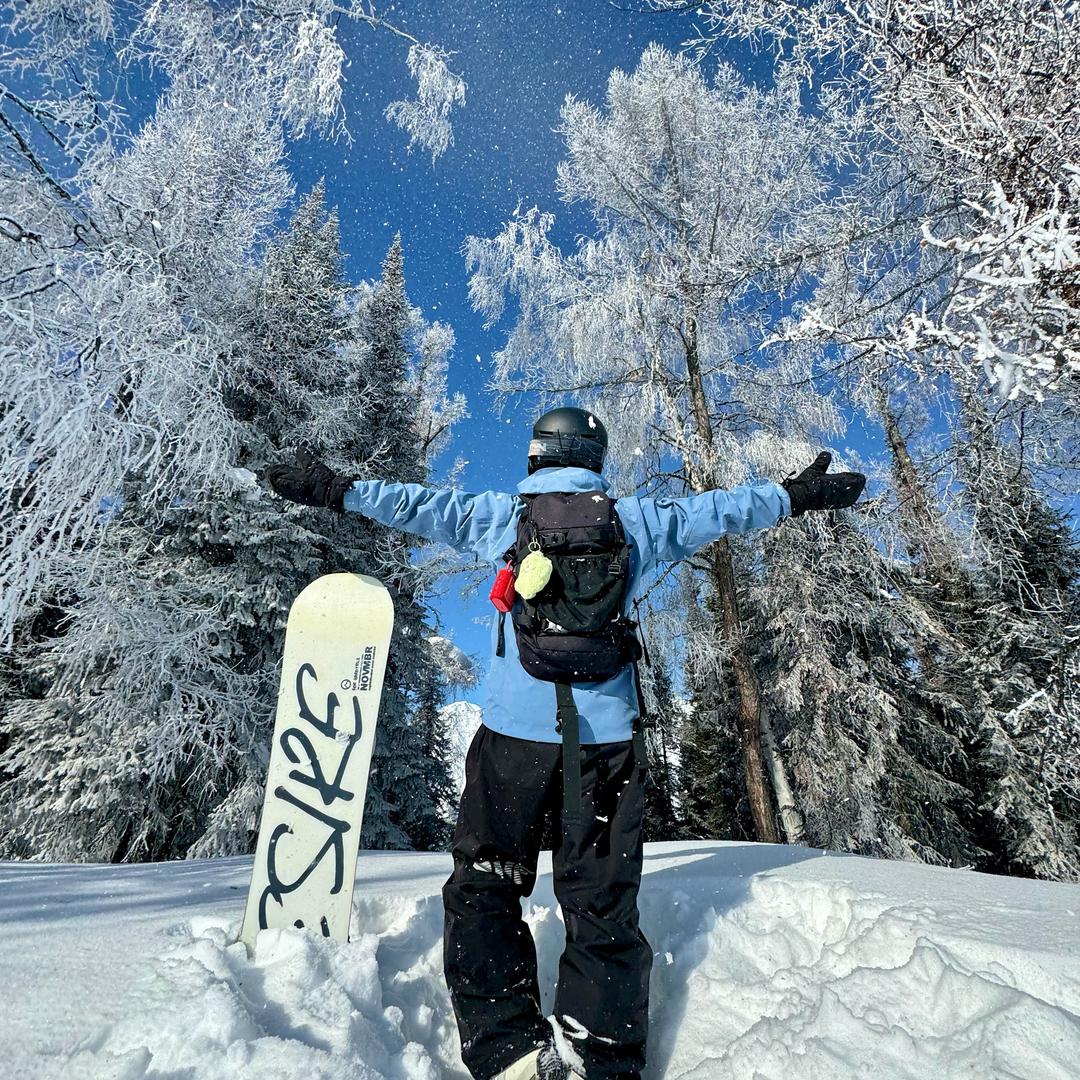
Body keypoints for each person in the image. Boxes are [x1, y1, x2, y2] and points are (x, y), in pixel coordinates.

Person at [264, 407, 866, 1080]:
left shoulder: (499, 517)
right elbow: (724, 510)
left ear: (536, 457)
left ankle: (510, 1051)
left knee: (485, 887)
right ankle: (601, 1055)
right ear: (594, 457)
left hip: (511, 744)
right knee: (602, 900)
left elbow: (411, 504)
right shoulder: (635, 521)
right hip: (605, 748)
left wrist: (335, 488)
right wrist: (798, 495)